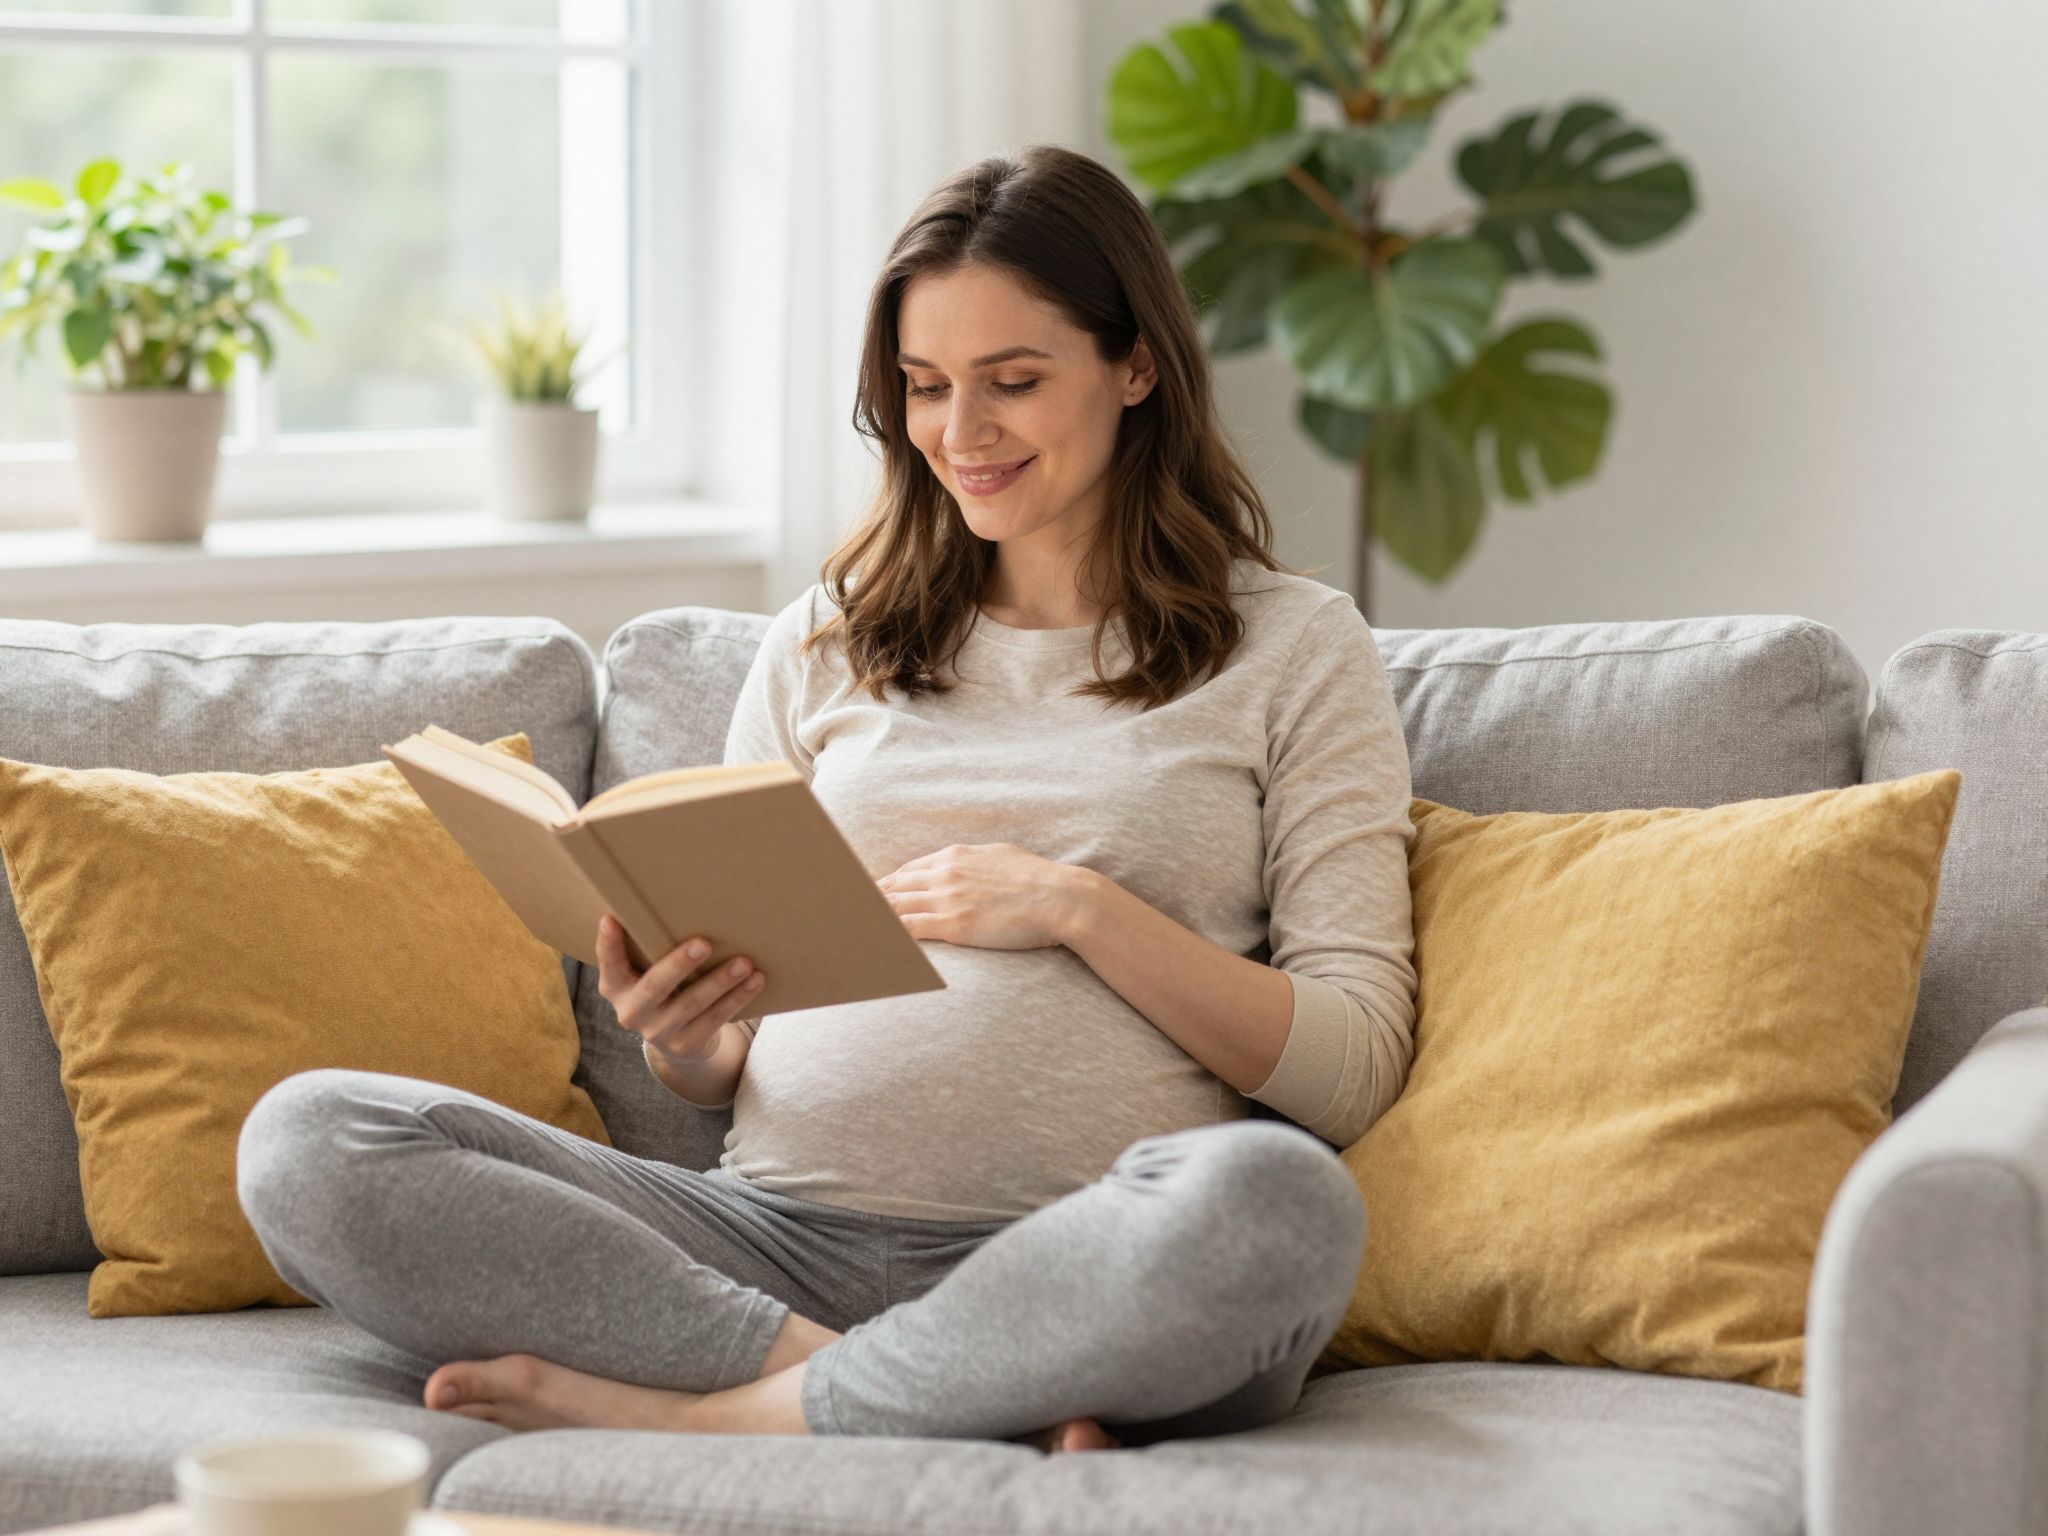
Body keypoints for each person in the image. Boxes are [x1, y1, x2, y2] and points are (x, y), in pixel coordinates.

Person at [236, 143, 1419, 1456]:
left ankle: (726, 1414)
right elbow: (711, 1079)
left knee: (1278, 1204)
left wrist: (1078, 908)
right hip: (766, 1248)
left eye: (1014, 383)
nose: (960, 435)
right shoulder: (827, 640)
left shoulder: (1296, 649)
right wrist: (684, 1034)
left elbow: (1352, 1066)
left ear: (1136, 364)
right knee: (313, 1141)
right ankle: (881, 1389)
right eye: (924, 388)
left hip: (1088, 1261)